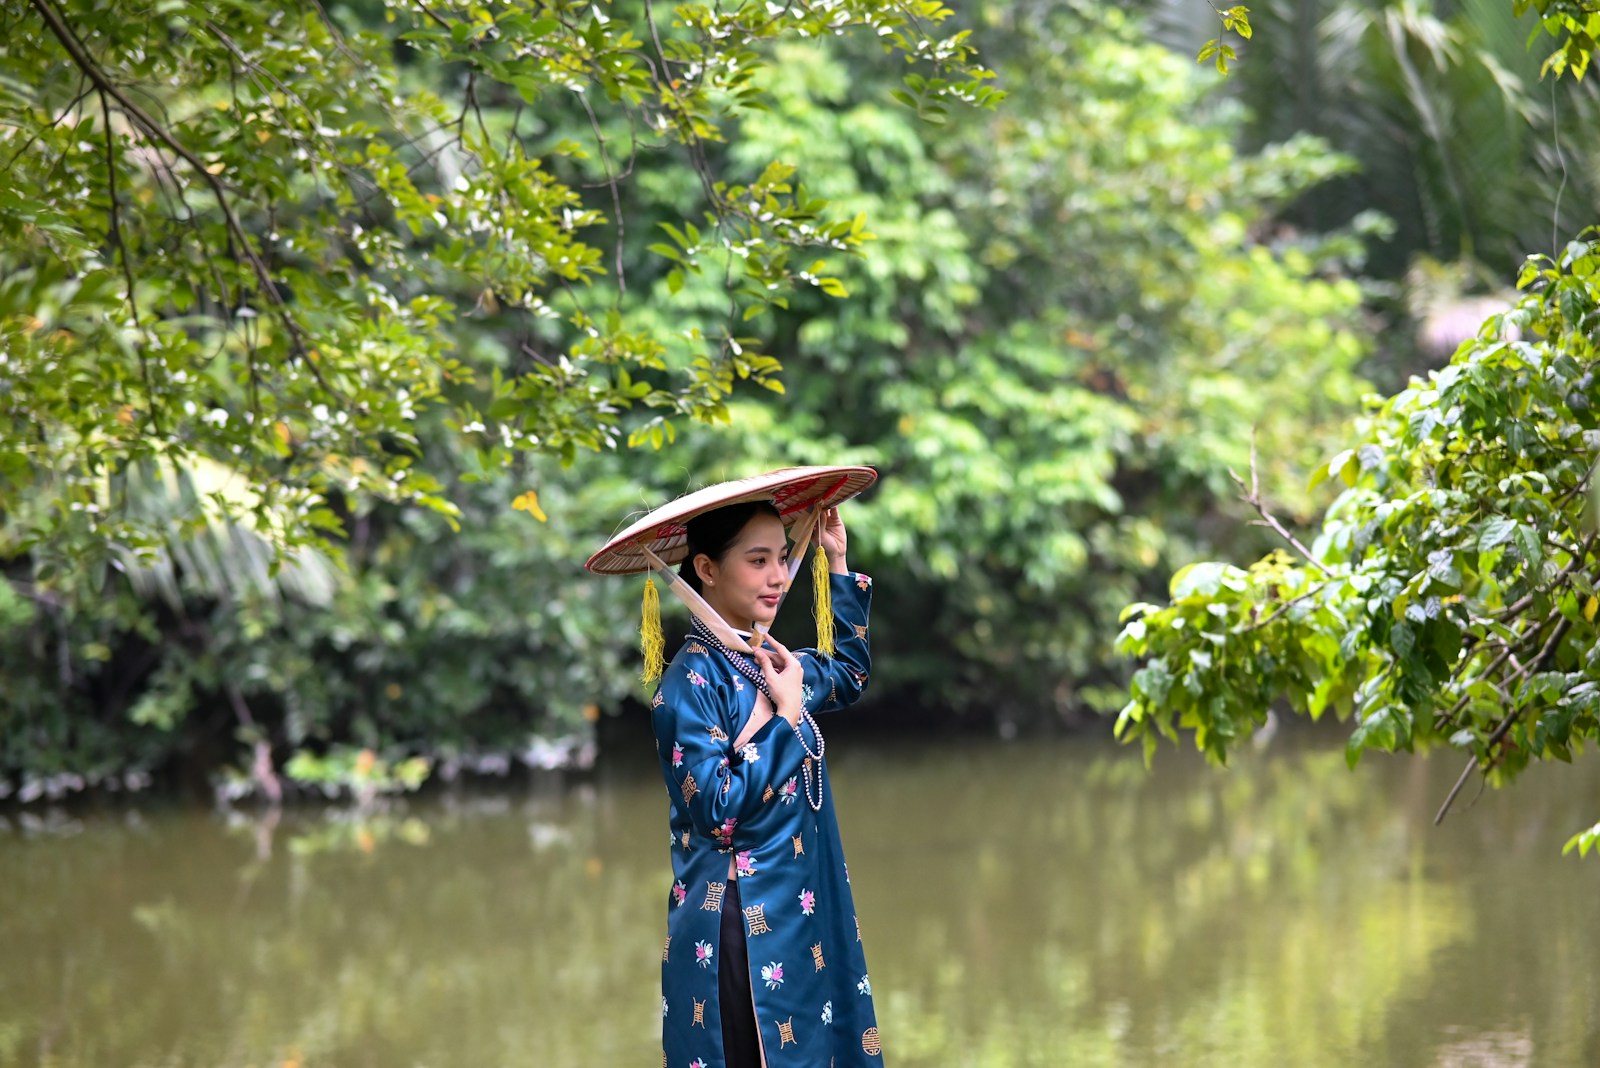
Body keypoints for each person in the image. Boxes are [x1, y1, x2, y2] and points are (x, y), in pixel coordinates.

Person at [650, 501, 881, 1067]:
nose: (778, 577)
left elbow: (850, 674)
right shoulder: (690, 683)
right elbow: (719, 808)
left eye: (781, 558)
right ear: (706, 568)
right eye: (758, 561)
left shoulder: (772, 664)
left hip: (799, 908)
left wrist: (839, 561)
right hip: (740, 920)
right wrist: (785, 718)